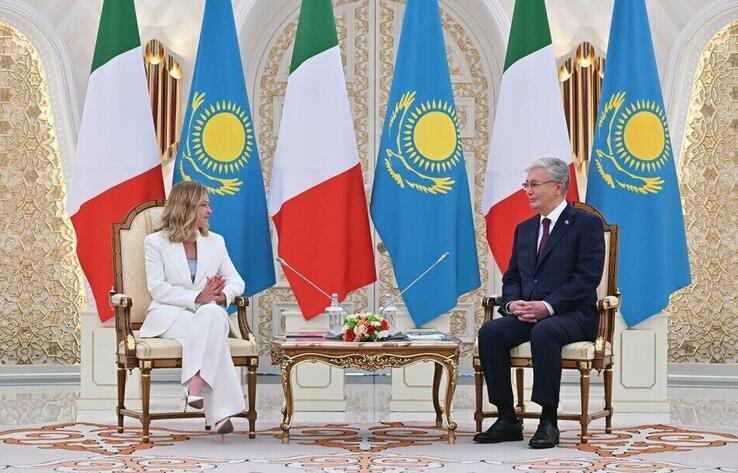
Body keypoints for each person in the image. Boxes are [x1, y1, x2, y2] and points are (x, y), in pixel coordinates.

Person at [476, 157, 605, 449]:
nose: (528, 191)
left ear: (558, 187)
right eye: (526, 185)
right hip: (529, 313)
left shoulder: (586, 224)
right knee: (491, 332)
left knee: (545, 331)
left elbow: (586, 278)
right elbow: (512, 277)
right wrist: (512, 305)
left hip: (573, 314)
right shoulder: (524, 228)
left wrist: (547, 306)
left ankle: (548, 420)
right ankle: (507, 418)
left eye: (534, 184)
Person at [139, 181, 245, 436]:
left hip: (208, 312)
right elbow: (158, 289)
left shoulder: (216, 242)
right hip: (169, 314)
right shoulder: (155, 242)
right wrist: (197, 297)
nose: (210, 211)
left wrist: (221, 295)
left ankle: (195, 384)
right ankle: (221, 412)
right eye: (204, 205)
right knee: (211, 331)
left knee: (211, 314)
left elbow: (237, 281)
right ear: (187, 208)